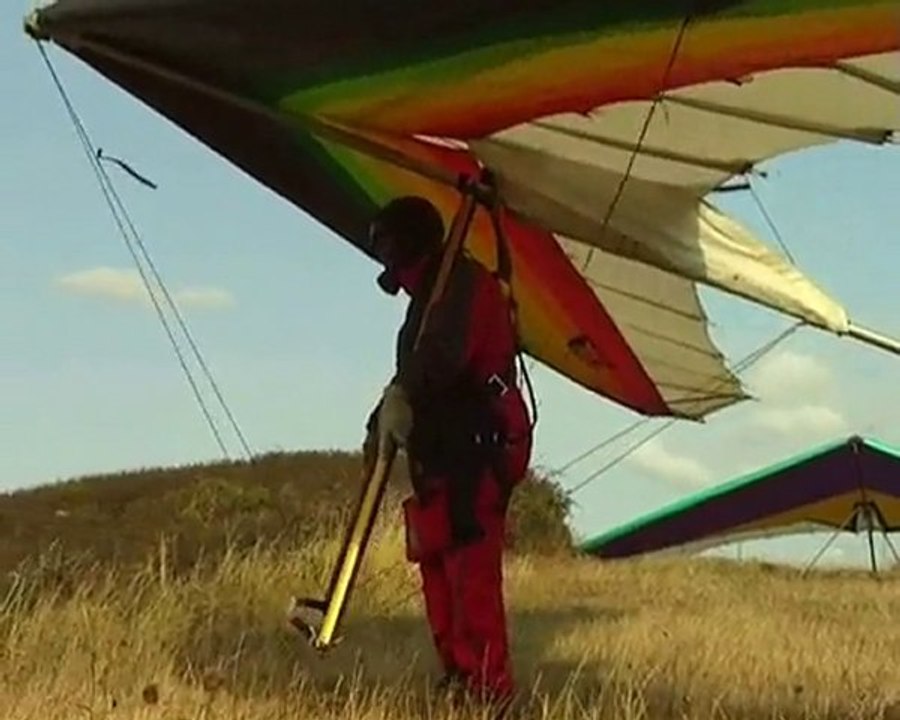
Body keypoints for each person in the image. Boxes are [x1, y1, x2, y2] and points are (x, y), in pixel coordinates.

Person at [363, 195, 533, 708]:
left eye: (392, 248)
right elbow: (415, 366)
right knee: (438, 566)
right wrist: (380, 420)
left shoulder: (458, 284)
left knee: (470, 574)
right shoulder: (427, 298)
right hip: (441, 451)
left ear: (410, 245)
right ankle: (459, 679)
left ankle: (490, 693)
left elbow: (441, 358)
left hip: (476, 447)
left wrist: (403, 397)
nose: (388, 261)